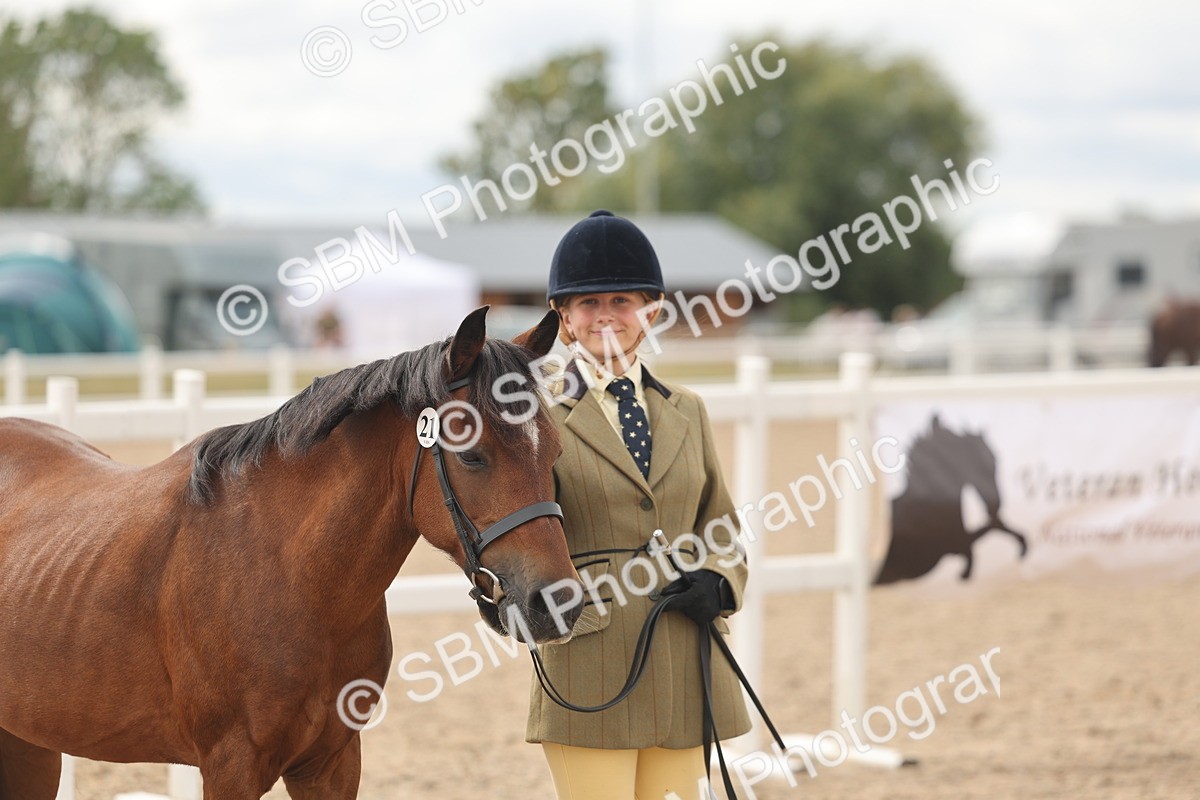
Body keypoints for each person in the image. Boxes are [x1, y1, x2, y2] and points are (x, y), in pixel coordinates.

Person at [527, 210, 751, 800]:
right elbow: (516, 534)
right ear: (564, 320)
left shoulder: (688, 409)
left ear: (650, 310)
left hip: (685, 656)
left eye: (621, 300)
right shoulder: (535, 416)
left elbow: (721, 527)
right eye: (588, 303)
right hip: (591, 659)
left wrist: (719, 583)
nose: (606, 316)